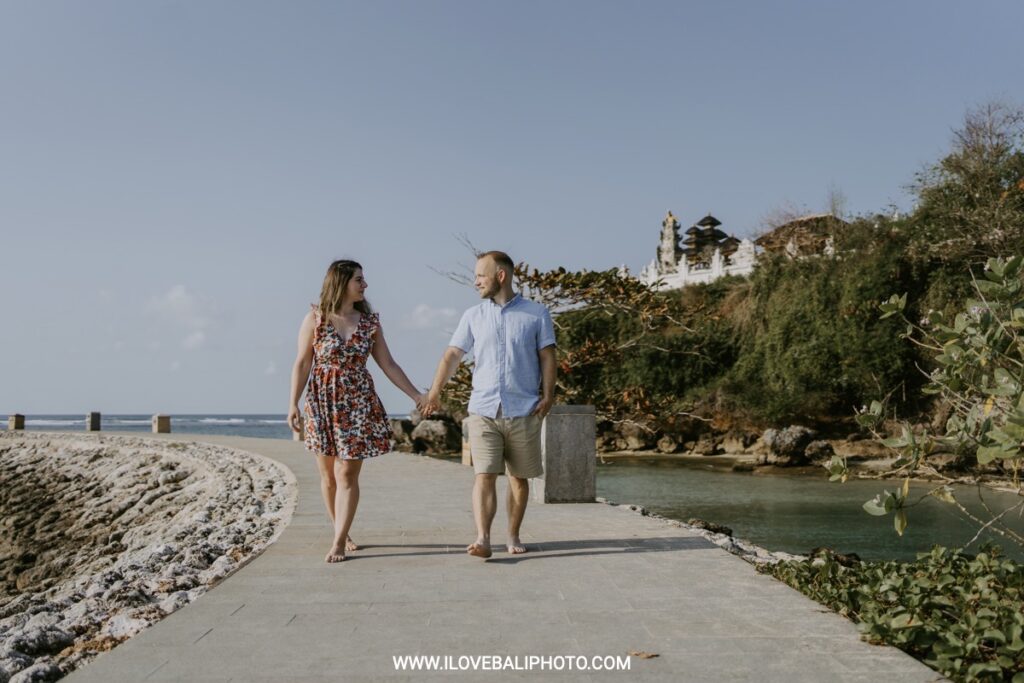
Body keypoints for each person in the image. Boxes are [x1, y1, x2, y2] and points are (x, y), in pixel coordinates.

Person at [288, 259, 425, 563]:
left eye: (363, 279)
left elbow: (389, 364)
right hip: (322, 402)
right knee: (328, 476)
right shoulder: (315, 318)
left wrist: (416, 394)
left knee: (346, 472)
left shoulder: (369, 323)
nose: (365, 285)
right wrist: (292, 404)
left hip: (358, 404)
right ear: (341, 283)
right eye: (358, 280)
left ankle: (338, 540)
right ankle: (342, 529)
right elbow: (302, 363)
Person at [423, 251, 556, 559]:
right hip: (483, 409)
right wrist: (434, 392)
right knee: (484, 474)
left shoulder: (536, 314)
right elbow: (452, 355)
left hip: (524, 409)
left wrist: (548, 395)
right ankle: (482, 538)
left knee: (519, 478)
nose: (476, 282)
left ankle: (512, 534)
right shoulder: (473, 316)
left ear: (501, 276)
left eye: (480, 276)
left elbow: (548, 356)